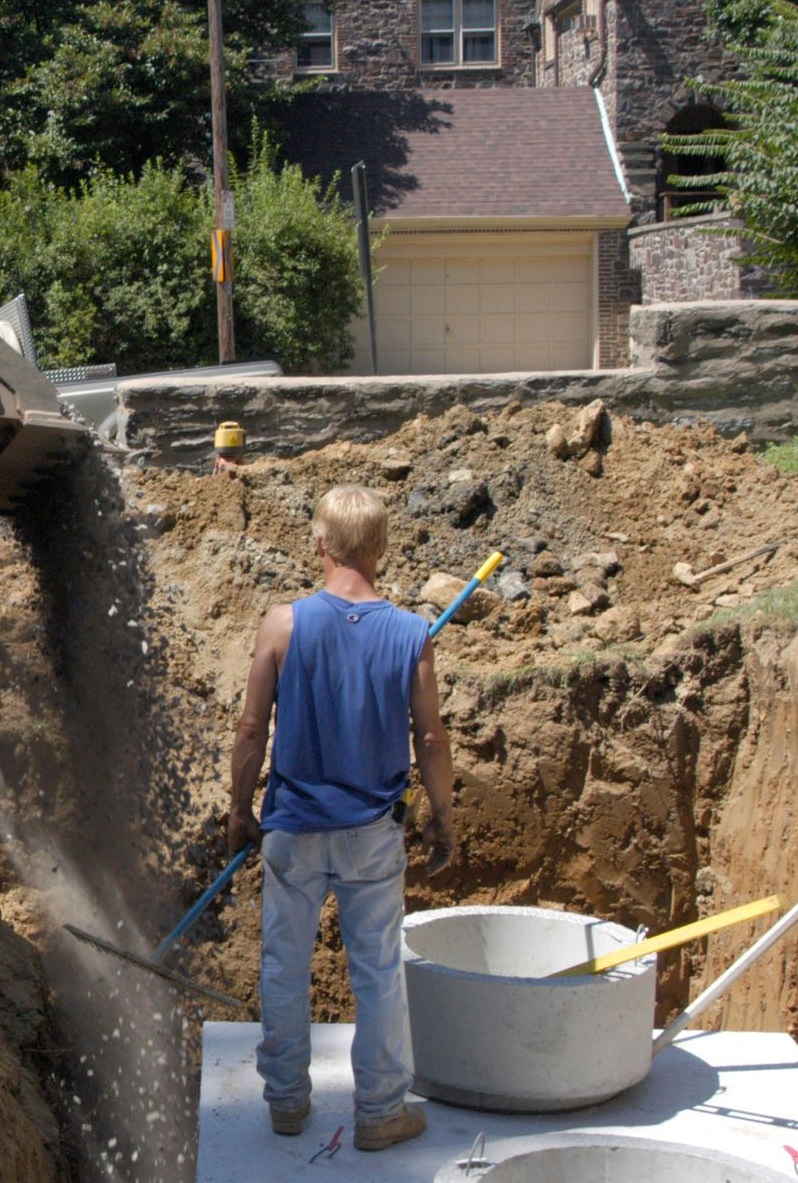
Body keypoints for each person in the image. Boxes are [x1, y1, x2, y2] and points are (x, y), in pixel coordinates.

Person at [226, 484, 457, 1152]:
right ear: (381, 548)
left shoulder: (283, 623)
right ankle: (382, 1109)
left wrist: (240, 809)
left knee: (284, 967)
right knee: (378, 972)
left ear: (320, 543)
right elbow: (432, 739)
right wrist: (443, 817)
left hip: (293, 828)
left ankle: (288, 1103)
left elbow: (249, 731)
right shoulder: (413, 633)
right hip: (371, 832)